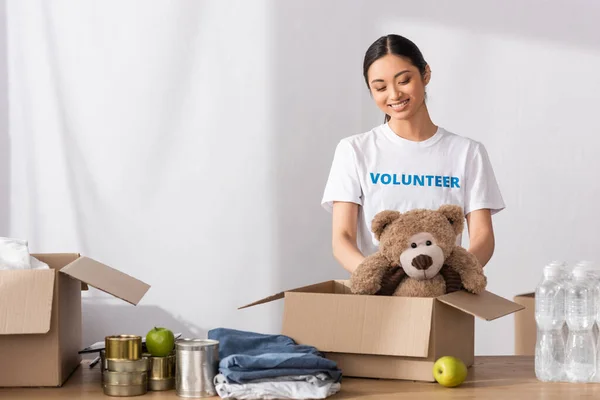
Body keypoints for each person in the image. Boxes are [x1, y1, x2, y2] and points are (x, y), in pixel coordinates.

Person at [321, 34, 505, 275]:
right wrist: (379, 278)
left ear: (425, 74)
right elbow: (342, 239)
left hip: (444, 297)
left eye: (404, 80)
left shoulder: (467, 152)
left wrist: (449, 279)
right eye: (380, 87)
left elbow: (483, 238)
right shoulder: (354, 150)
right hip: (380, 301)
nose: (394, 94)